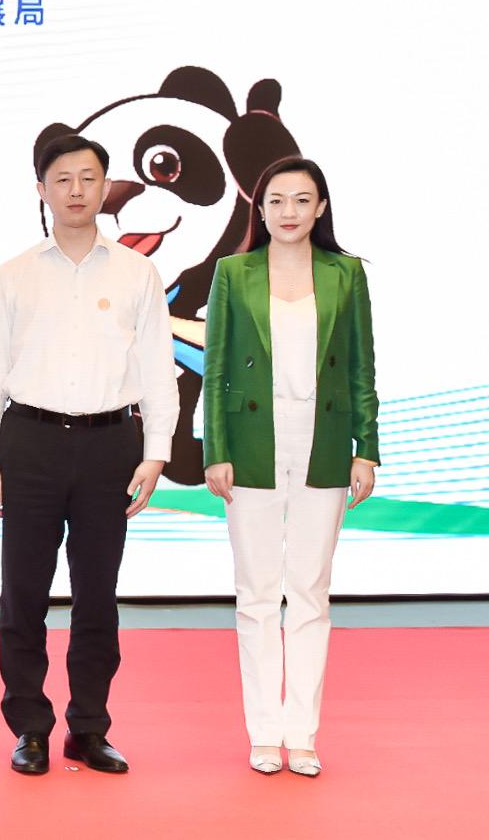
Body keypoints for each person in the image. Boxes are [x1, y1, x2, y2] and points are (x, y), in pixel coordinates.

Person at [0, 133, 179, 776]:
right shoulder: (14, 274)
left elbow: (158, 369)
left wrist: (156, 453)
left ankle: (88, 728)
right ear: (42, 190)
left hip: (109, 445)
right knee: (23, 594)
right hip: (29, 442)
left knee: (97, 595)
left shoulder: (137, 272)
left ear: (105, 187)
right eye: (62, 179)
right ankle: (29, 728)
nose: (76, 190)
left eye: (89, 178)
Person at [201, 156, 378, 778]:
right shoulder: (233, 272)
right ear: (260, 208)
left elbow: (361, 366)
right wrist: (215, 450)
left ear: (321, 207)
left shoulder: (346, 273)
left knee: (309, 592)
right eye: (276, 200)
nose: (289, 212)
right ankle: (264, 731)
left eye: (302, 200)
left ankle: (301, 732)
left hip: (322, 442)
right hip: (251, 443)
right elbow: (215, 367)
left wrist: (366, 447)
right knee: (255, 594)